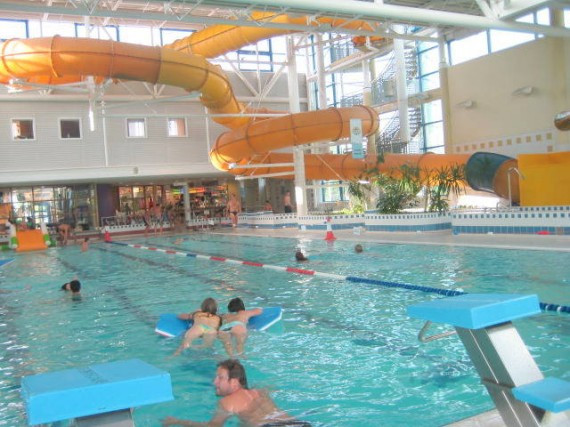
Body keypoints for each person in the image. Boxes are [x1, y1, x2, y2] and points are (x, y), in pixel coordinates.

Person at [161, 359, 310, 427]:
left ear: (234, 382)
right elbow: (272, 387)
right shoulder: (260, 392)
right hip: (298, 423)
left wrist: (177, 422)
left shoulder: (226, 402)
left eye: (220, 378)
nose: (215, 382)